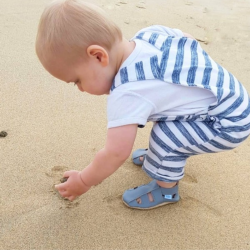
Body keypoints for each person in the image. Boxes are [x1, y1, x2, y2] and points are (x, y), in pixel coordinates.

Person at [35, 0, 250, 209]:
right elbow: (187, 38)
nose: (81, 89)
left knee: (166, 139)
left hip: (228, 124)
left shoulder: (128, 91)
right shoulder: (150, 34)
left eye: (76, 81)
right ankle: (163, 154)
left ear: (98, 56)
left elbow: (116, 153)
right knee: (170, 128)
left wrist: (83, 181)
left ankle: (166, 189)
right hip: (231, 93)